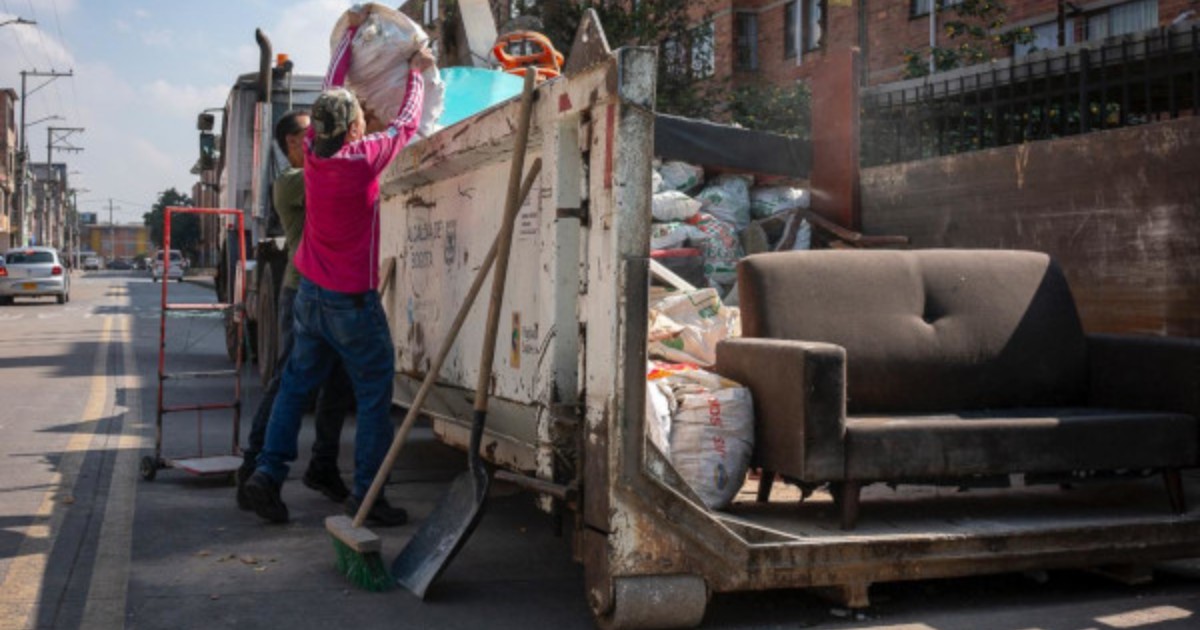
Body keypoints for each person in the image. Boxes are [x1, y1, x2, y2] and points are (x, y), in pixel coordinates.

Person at [243, 6, 435, 525]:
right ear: (353, 126)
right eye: (356, 118)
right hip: (352, 303)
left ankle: (267, 474)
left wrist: (349, 38)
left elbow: (330, 83)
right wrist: (415, 71)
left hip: (310, 299)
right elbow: (406, 122)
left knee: (295, 387)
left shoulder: (311, 153)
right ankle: (366, 497)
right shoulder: (363, 160)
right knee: (374, 397)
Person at [235, 109, 355, 511]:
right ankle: (254, 468)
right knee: (289, 383)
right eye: (311, 130)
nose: (320, 135)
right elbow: (341, 172)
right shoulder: (290, 182)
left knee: (337, 387)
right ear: (291, 142)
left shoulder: (313, 171)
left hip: (335, 293)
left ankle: (323, 465)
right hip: (302, 293)